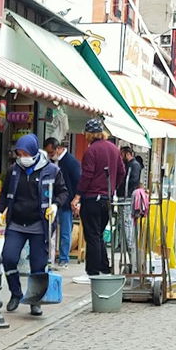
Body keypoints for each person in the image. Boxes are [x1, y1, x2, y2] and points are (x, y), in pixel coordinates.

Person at [0, 133, 58, 315]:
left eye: (25, 154)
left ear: (33, 152)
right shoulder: (13, 170)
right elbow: (4, 193)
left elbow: (63, 192)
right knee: (8, 258)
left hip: (39, 225)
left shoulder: (51, 170)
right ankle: (15, 293)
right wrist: (0, 211)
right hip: (16, 223)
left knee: (38, 264)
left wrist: (55, 205)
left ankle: (35, 300)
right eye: (19, 154)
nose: (22, 158)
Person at [73, 117, 124, 276]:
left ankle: (93, 270)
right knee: (99, 233)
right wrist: (112, 187)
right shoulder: (114, 149)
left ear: (88, 134)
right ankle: (104, 266)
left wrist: (77, 196)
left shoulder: (91, 151)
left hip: (92, 198)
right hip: (107, 198)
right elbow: (122, 172)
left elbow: (86, 176)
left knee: (92, 235)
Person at [44, 136, 80, 263]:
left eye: (51, 153)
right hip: (51, 201)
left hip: (66, 203)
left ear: (58, 149)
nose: (49, 155)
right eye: (48, 153)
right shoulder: (50, 162)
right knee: (49, 231)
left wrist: (76, 199)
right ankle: (49, 257)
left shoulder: (70, 162)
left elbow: (78, 181)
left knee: (65, 232)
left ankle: (64, 258)